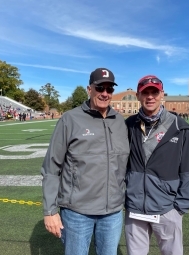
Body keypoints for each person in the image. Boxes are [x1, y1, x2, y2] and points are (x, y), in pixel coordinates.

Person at [41, 67, 129, 255]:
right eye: (100, 88)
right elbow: (51, 167)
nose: (105, 93)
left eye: (109, 89)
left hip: (112, 213)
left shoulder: (120, 122)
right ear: (90, 89)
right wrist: (50, 211)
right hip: (77, 213)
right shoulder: (70, 119)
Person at [124, 75, 189, 255]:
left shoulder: (180, 128)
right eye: (145, 93)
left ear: (162, 95)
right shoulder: (128, 125)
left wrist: (180, 208)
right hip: (135, 208)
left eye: (154, 92)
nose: (150, 97)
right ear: (138, 96)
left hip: (166, 207)